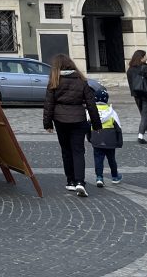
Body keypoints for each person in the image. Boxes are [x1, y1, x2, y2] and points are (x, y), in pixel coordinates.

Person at [43, 53, 102, 197]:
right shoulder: (81, 80)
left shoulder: (55, 80)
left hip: (60, 119)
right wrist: (96, 124)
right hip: (78, 118)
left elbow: (49, 104)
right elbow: (91, 104)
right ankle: (80, 182)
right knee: (78, 151)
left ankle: (70, 181)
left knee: (66, 150)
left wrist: (47, 123)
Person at [126, 49, 147, 143]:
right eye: (145, 56)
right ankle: (140, 136)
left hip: (136, 94)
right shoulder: (145, 67)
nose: (146, 58)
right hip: (146, 93)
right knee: (146, 114)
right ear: (141, 58)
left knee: (144, 114)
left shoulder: (130, 69)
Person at [92, 90, 123, 187]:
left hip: (96, 138)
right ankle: (115, 176)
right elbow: (118, 127)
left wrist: (90, 138)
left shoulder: (91, 111)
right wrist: (119, 142)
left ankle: (99, 177)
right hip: (110, 139)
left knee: (98, 159)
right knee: (111, 159)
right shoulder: (111, 112)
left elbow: (87, 126)